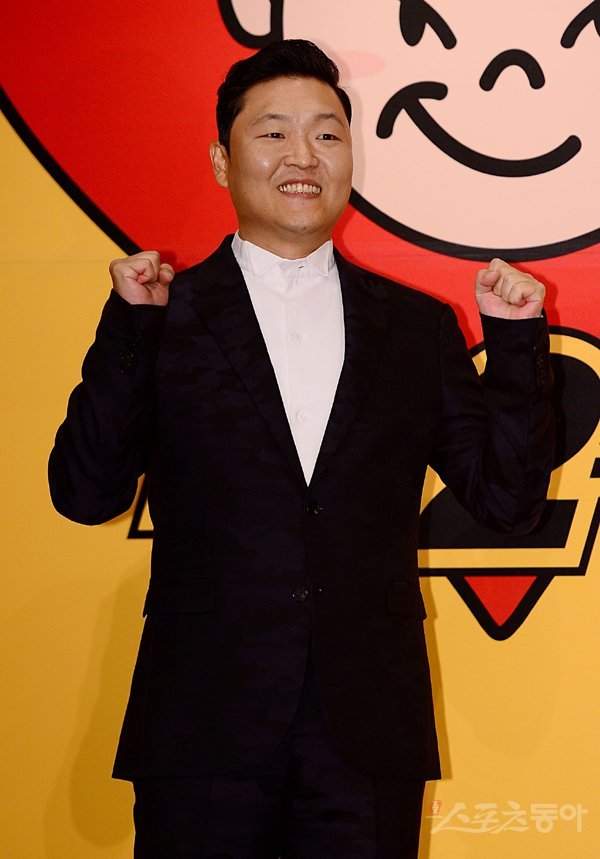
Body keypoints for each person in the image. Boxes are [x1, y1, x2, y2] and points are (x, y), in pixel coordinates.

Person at [49, 39, 554, 859]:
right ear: (222, 160)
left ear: (350, 157)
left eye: (326, 134)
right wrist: (131, 330)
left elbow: (507, 502)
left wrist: (517, 344)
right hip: (203, 725)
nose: (303, 156)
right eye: (273, 132)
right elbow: (85, 493)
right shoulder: (163, 314)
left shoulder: (417, 328)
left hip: (367, 734)